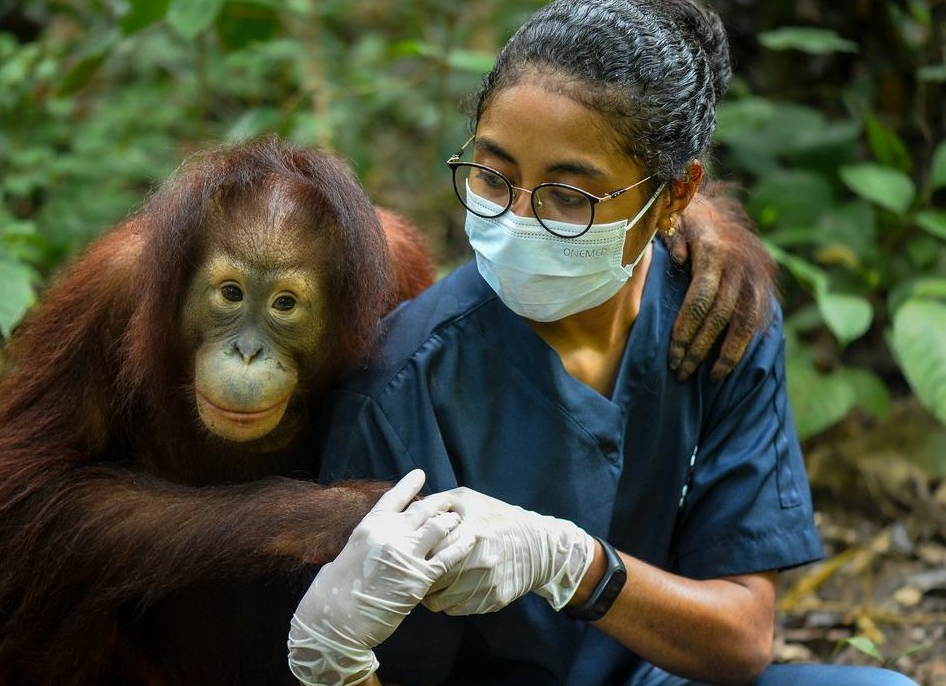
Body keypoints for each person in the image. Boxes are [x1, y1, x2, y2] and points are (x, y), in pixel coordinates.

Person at [288, 1, 920, 685]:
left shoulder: (717, 318)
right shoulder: (400, 385)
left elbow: (740, 639)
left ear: (675, 197)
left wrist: (572, 564)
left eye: (568, 196)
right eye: (493, 177)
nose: (517, 221)